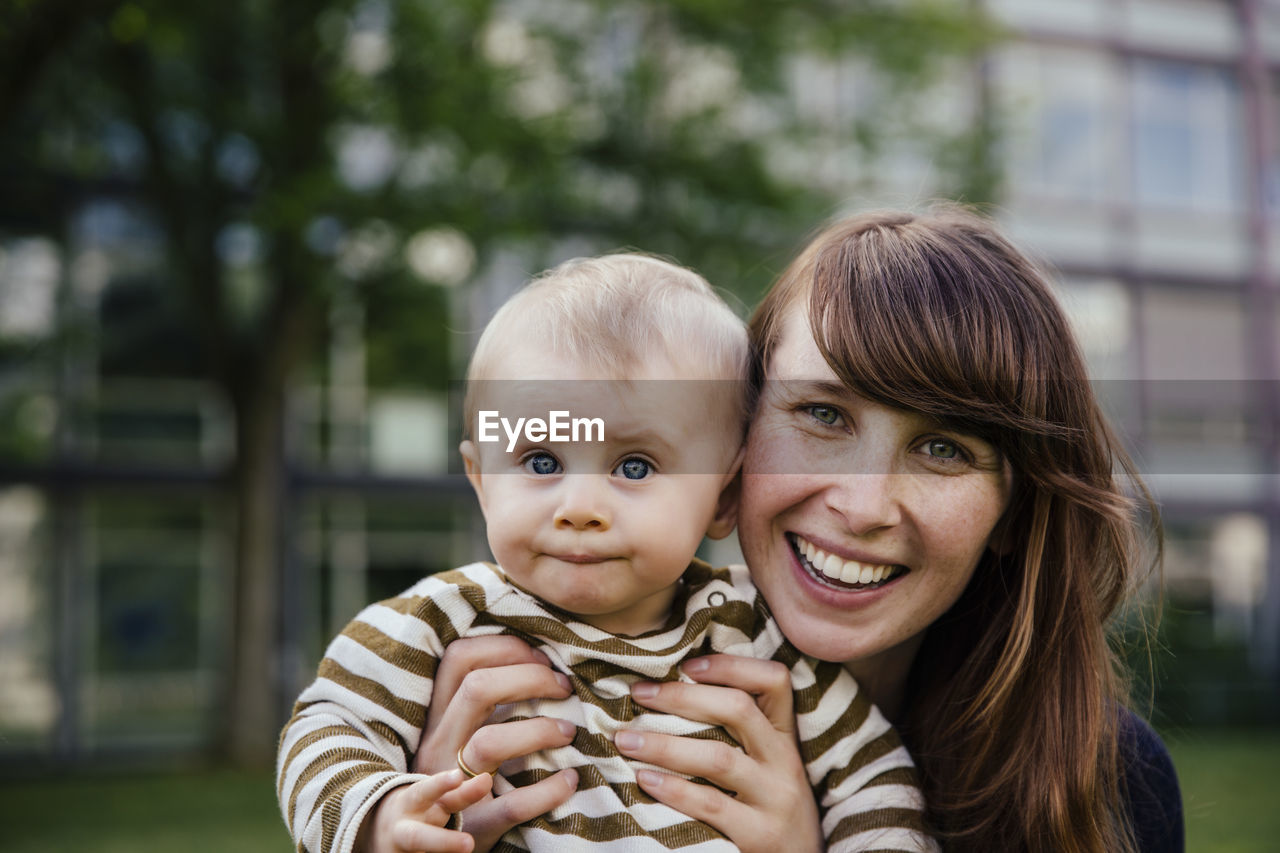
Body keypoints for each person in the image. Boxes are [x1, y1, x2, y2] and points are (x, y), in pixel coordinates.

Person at [411, 208, 1184, 853]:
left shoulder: (1105, 781)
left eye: (944, 447)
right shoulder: (468, 680)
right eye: (821, 414)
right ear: (734, 436)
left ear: (1013, 512)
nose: (864, 503)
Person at [276, 253, 938, 853]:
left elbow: (873, 779)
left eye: (636, 465)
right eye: (540, 459)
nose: (580, 505)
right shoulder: (441, 618)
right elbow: (329, 726)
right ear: (480, 481)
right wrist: (379, 818)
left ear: (723, 497)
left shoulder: (757, 637)